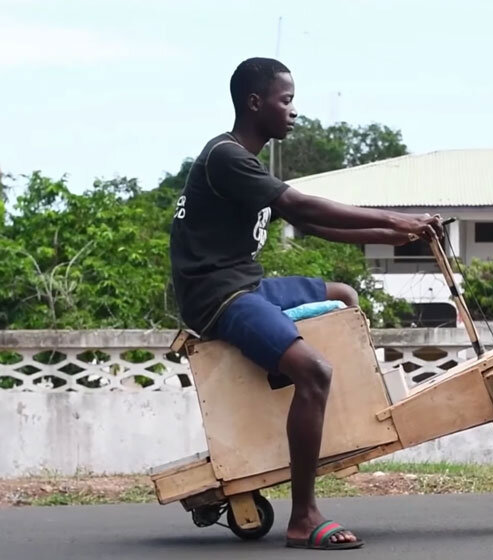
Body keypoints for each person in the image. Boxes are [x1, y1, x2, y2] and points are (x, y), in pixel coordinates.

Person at [169, 57, 443, 550]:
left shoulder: (244, 163)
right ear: (256, 103)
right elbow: (299, 206)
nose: (294, 112)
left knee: (344, 297)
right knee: (315, 371)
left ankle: (307, 398)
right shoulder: (226, 157)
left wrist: (395, 233)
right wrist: (397, 218)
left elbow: (314, 225)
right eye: (286, 100)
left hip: (247, 285)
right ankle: (303, 517)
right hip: (218, 296)